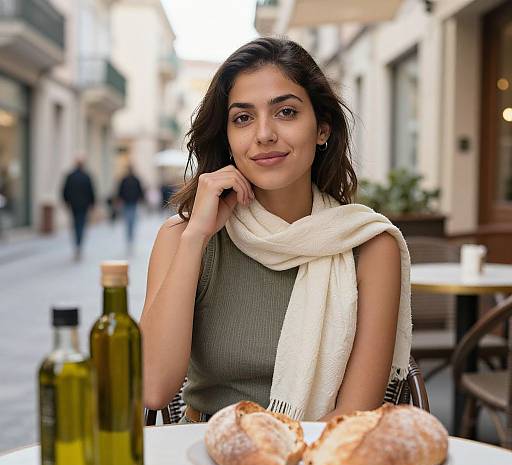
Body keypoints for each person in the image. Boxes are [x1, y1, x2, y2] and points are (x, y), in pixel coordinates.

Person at [140, 37, 412, 424]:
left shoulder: (369, 246)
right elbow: (154, 387)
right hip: (204, 455)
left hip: (319, 463)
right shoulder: (184, 238)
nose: (263, 134)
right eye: (243, 118)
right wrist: (196, 237)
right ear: (228, 139)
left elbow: (355, 417)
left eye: (285, 112)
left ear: (322, 129)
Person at [62, 156, 95, 261]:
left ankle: (77, 243)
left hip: (74, 205)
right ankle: (79, 243)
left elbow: (65, 190)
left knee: (75, 223)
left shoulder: (70, 176)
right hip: (83, 205)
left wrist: (66, 201)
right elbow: (91, 191)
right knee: (81, 224)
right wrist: (92, 203)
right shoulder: (86, 176)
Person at [117, 165, 145, 249]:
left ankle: (130, 238)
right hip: (130, 203)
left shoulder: (126, 180)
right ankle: (130, 237)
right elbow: (120, 191)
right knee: (130, 221)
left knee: (130, 221)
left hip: (131, 203)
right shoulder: (132, 180)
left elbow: (120, 191)